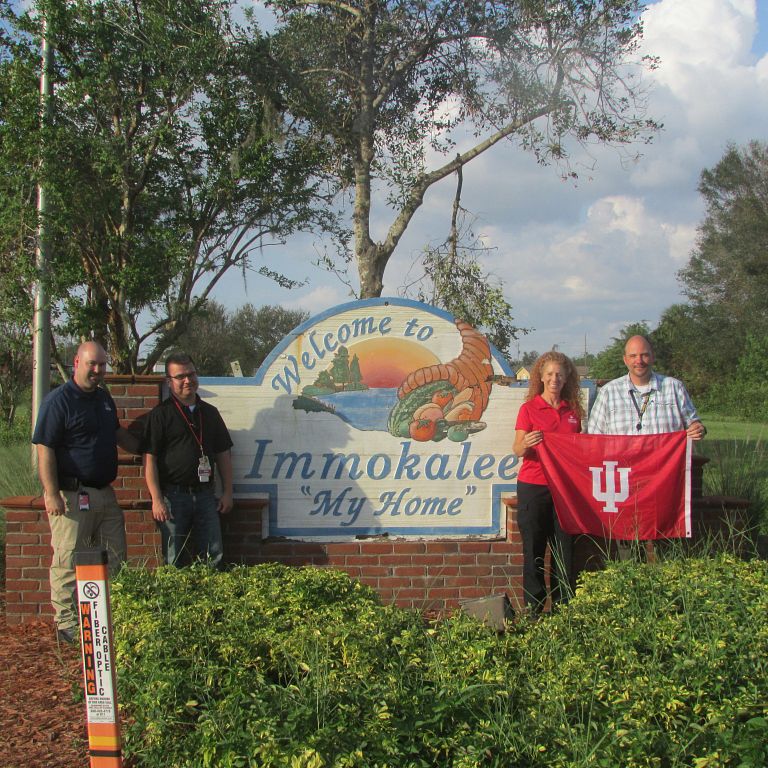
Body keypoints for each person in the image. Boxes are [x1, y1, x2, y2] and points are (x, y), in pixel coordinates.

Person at [32, 341, 139, 644]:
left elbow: (117, 433)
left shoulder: (103, 398)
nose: (97, 370)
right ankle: (68, 625)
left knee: (116, 556)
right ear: (76, 362)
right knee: (68, 559)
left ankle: (114, 616)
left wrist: (143, 447)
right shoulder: (58, 401)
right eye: (92, 364)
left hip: (105, 493)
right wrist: (50, 492)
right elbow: (45, 448)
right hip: (71, 494)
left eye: (102, 365)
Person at [142, 352, 233, 568]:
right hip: (173, 497)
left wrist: (228, 492)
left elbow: (223, 455)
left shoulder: (210, 413)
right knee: (174, 558)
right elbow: (149, 461)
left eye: (191, 374)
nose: (187, 381)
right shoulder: (160, 415)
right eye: (180, 376)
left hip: (205, 496)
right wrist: (156, 499)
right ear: (169, 381)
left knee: (213, 556)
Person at [513, 351, 584, 614]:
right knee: (534, 549)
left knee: (563, 549)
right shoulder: (529, 409)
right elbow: (517, 449)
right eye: (550, 374)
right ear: (541, 377)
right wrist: (528, 442)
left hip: (565, 489)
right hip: (534, 486)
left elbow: (580, 451)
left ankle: (563, 606)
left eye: (560, 375)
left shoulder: (573, 412)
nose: (555, 379)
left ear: (567, 379)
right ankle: (534, 608)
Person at [587, 335, 706, 439]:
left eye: (644, 355)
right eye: (633, 356)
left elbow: (694, 425)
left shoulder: (674, 388)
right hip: (624, 465)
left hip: (664, 465)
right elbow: (594, 438)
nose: (639, 360)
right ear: (625, 360)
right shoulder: (608, 392)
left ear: (653, 357)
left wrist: (698, 429)